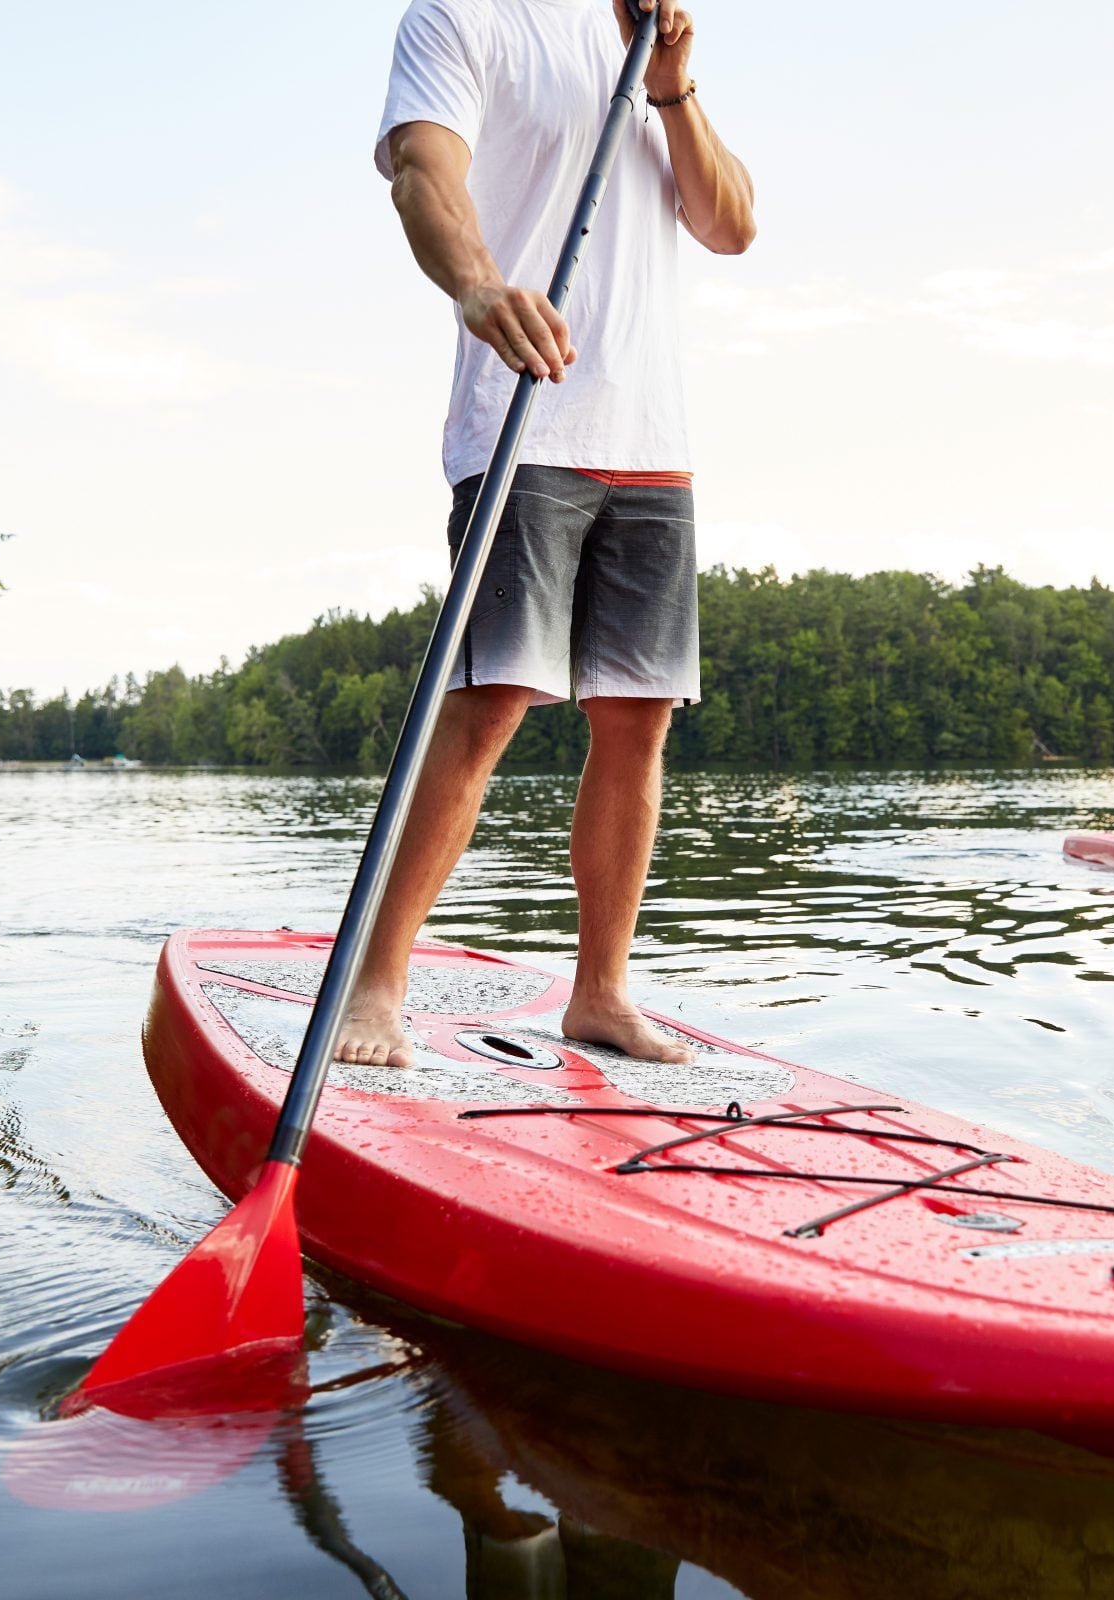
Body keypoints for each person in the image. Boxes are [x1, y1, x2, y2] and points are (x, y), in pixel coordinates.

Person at [339, 0, 757, 1068]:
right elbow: (422, 172)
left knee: (638, 720)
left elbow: (731, 224)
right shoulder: (461, 15)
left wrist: (669, 81)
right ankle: (375, 988)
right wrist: (477, 284)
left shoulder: (642, 36)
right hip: (527, 420)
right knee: (488, 707)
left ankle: (600, 994)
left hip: (652, 437)